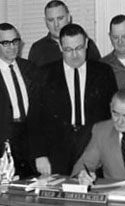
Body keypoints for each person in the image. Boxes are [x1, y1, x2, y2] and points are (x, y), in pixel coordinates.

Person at [30, 23, 117, 176]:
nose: (75, 55)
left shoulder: (103, 72)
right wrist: (39, 154)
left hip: (93, 147)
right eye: (68, 50)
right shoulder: (44, 74)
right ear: (60, 47)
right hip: (56, 151)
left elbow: (112, 115)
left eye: (79, 48)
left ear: (87, 44)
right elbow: (35, 118)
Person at [0, 23, 38, 178]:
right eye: (5, 43)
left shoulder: (29, 68)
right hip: (4, 142)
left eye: (15, 41)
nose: (12, 47)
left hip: (29, 140)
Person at [28, 0, 101, 67]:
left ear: (69, 18)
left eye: (60, 18)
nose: (56, 24)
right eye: (51, 20)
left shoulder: (85, 44)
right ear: (45, 21)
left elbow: (99, 74)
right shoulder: (37, 49)